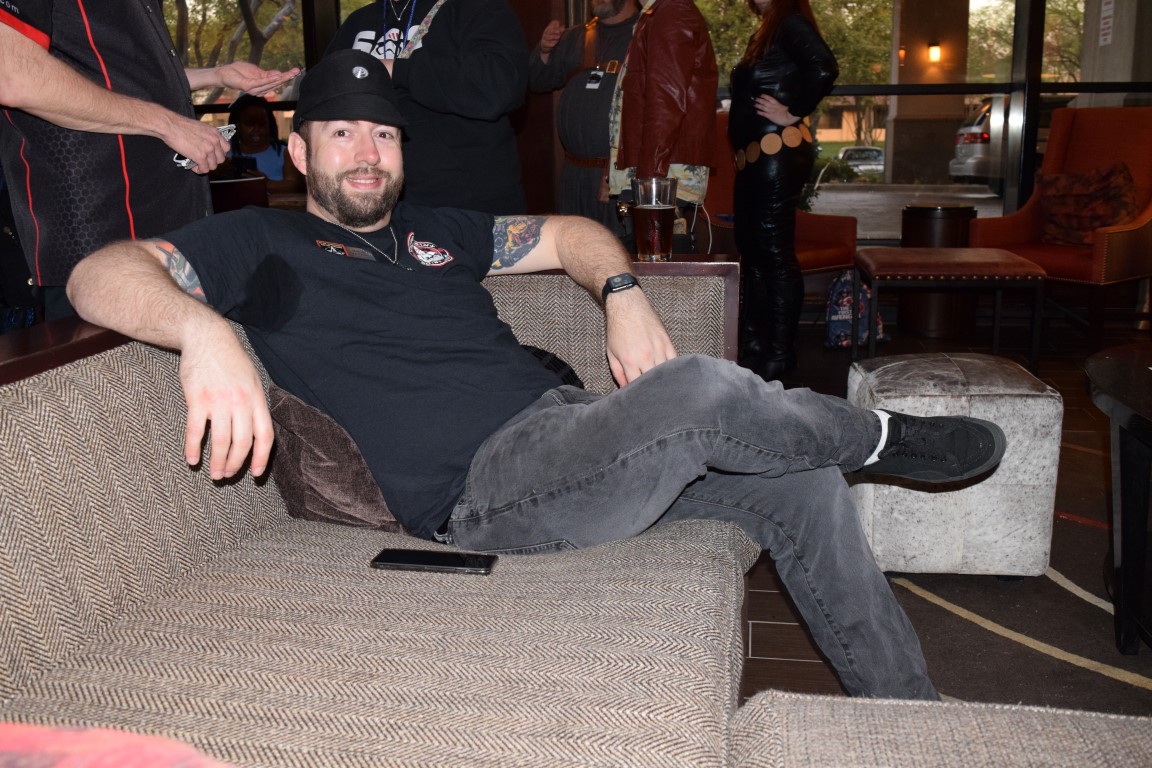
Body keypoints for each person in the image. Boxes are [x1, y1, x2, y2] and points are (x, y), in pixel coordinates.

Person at [67, 50, 1007, 701]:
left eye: (383, 136)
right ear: (303, 152)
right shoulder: (262, 241)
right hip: (485, 493)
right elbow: (96, 275)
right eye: (341, 134)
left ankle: (908, 721)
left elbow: (567, 233)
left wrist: (622, 292)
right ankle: (879, 440)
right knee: (698, 390)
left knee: (801, 484)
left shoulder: (441, 230)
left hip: (574, 440)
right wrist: (205, 332)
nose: (366, 153)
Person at [0, 2, 299, 320]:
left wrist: (215, 75)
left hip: (167, 231)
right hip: (97, 240)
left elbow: (117, 77)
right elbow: (14, 75)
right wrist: (168, 124)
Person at [326, 0, 528, 214]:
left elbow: (500, 85)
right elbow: (324, 96)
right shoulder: (357, 21)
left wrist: (398, 70)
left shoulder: (475, 6)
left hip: (465, 208)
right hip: (373, 202)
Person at [728, 0, 838, 382]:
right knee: (755, 252)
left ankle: (779, 354)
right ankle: (755, 345)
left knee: (773, 254)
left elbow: (824, 67)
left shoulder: (789, 21)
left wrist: (792, 112)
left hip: (775, 154)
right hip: (760, 158)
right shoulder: (773, 26)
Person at [607, 0, 718, 245]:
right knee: (648, 258)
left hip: (661, 172)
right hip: (655, 169)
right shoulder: (656, 13)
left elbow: (665, 100)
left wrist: (650, 183)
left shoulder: (672, 11)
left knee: (658, 259)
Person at [528, 0, 640, 238]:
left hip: (617, 177)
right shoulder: (575, 37)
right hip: (573, 176)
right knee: (573, 248)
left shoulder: (646, 35)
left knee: (619, 251)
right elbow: (538, 81)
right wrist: (545, 51)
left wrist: (621, 169)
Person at [215, 94, 305, 195]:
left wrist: (266, 183)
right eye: (249, 123)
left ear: (270, 124)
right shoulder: (225, 151)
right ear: (237, 125)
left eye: (262, 123)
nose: (256, 129)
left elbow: (294, 186)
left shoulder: (284, 152)